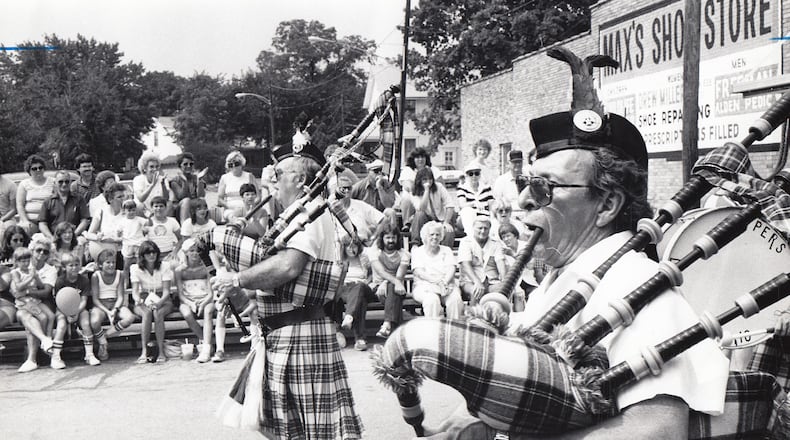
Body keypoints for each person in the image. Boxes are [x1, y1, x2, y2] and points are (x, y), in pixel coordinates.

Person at [374, 48, 729, 438]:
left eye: (545, 187)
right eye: (528, 183)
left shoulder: (634, 283)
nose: (524, 199)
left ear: (607, 204)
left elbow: (657, 429)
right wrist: (478, 417)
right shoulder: (564, 278)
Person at [212, 137, 363, 439]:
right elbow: (289, 277)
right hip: (286, 331)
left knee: (313, 431)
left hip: (299, 333)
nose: (273, 181)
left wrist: (238, 279)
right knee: (278, 424)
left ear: (301, 179)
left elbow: (288, 267)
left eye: (279, 175)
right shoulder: (300, 213)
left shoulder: (309, 214)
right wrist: (249, 293)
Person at [15, 234, 59, 373]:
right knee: (24, 314)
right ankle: (45, 342)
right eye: (38, 250)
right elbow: (16, 289)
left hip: (43, 303)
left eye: (45, 251)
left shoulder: (50, 270)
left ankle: (32, 359)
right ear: (32, 250)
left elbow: (46, 292)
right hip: (25, 304)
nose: (41, 253)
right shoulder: (24, 264)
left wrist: (27, 292)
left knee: (32, 319)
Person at [51, 252, 101, 369]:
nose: (74, 268)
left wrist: (76, 312)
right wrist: (67, 313)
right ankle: (56, 356)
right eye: (71, 265)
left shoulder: (83, 280)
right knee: (62, 325)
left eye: (76, 264)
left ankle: (89, 354)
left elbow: (83, 301)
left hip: (79, 309)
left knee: (85, 323)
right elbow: (58, 301)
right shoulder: (60, 281)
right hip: (62, 309)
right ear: (64, 267)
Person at [130, 240, 174, 363]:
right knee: (147, 313)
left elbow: (166, 292)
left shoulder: (164, 266)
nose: (151, 255)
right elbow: (135, 291)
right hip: (144, 298)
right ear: (142, 255)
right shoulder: (135, 268)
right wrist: (137, 299)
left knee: (158, 313)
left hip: (162, 299)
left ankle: (161, 351)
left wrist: (159, 303)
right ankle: (144, 351)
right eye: (148, 253)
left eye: (154, 252)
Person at [410, 221, 463, 319]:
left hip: (447, 285)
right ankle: (433, 331)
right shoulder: (418, 252)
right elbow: (419, 273)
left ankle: (454, 330)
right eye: (431, 234)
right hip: (425, 286)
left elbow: (452, 268)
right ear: (425, 236)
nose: (435, 237)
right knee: (432, 300)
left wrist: (444, 282)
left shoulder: (446, 250)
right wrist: (438, 282)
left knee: (455, 300)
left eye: (437, 234)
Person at [175, 238, 217, 363]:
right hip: (188, 300)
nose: (194, 254)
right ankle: (205, 343)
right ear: (186, 252)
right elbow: (180, 294)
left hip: (206, 299)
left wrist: (204, 303)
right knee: (187, 313)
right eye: (191, 251)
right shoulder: (179, 270)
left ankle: (206, 347)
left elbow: (211, 292)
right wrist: (190, 303)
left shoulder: (205, 268)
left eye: (197, 251)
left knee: (208, 311)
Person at [89, 248, 136, 359]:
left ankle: (104, 336)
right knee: (94, 322)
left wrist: (114, 310)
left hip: (116, 304)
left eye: (113, 262)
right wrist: (107, 311)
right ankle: (103, 344)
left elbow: (120, 296)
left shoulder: (120, 274)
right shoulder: (96, 276)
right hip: (101, 305)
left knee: (129, 317)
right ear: (100, 265)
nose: (111, 265)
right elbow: (95, 299)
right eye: (108, 262)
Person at [369, 219, 409, 338]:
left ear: (397, 238)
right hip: (378, 288)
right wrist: (389, 282)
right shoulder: (375, 252)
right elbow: (380, 271)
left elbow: (400, 275)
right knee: (394, 291)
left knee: (393, 289)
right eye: (388, 238)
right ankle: (396, 334)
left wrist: (387, 282)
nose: (391, 240)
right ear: (382, 238)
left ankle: (387, 324)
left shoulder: (404, 254)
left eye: (393, 237)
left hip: (397, 289)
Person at [336, 235, 374, 351]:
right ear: (344, 247)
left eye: (354, 246)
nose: (351, 249)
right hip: (345, 289)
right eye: (348, 246)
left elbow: (372, 275)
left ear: (359, 247)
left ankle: (348, 316)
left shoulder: (364, 258)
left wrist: (367, 282)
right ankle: (359, 339)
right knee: (360, 300)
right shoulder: (339, 261)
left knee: (359, 287)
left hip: (363, 287)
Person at [331, 169, 385, 246]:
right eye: (343, 188)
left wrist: (373, 239)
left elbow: (383, 219)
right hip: (338, 248)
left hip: (360, 247)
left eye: (349, 188)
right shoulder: (331, 207)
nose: (346, 191)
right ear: (337, 189)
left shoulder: (361, 206)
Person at [457, 215, 500, 306]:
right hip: (469, 281)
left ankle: (497, 318)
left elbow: (500, 263)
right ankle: (473, 318)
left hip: (491, 281)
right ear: (473, 228)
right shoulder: (465, 242)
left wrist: (504, 281)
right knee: (476, 291)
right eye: (479, 228)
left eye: (486, 228)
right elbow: (466, 265)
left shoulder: (495, 243)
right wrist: (477, 282)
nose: (483, 231)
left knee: (503, 291)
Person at [38, 170, 91, 241]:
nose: (64, 184)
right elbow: (42, 223)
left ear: (70, 183)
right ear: (54, 183)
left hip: (75, 236)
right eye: (60, 182)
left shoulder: (79, 199)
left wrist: (74, 235)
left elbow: (85, 220)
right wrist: (51, 237)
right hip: (53, 237)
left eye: (67, 181)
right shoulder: (48, 201)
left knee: (82, 242)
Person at [409, 167, 456, 247]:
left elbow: (450, 205)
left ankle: (445, 253)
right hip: (425, 220)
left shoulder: (439, 187)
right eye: (425, 179)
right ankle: (415, 245)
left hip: (440, 219)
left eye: (430, 179)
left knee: (448, 231)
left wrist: (446, 222)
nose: (428, 182)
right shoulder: (414, 192)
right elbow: (421, 208)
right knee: (419, 214)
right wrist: (426, 191)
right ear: (419, 180)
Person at [84, 182, 126, 265]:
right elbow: (89, 234)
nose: (123, 199)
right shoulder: (101, 211)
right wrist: (98, 237)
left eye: (123, 196)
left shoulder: (127, 214)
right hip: (102, 254)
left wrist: (115, 240)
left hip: (121, 254)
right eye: (119, 197)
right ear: (110, 199)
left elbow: (131, 237)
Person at [16, 154, 55, 235]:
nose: (38, 170)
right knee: (21, 232)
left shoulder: (53, 182)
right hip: (31, 221)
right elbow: (20, 205)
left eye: (40, 167)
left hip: (49, 221)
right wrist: (25, 221)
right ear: (29, 171)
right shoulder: (24, 184)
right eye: (34, 168)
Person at [168, 152, 207, 222]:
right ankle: (184, 226)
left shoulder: (196, 178)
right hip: (180, 208)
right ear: (180, 166)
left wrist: (200, 181)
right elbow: (181, 196)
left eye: (191, 164)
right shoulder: (175, 180)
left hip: (194, 207)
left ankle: (202, 225)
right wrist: (185, 182)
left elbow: (201, 196)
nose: (189, 166)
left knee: (201, 200)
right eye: (185, 164)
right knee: (186, 201)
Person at [456, 163, 494, 235]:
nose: (474, 176)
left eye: (476, 173)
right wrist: (474, 203)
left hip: (484, 217)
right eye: (471, 174)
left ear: (479, 175)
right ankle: (472, 238)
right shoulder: (462, 188)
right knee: (467, 210)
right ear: (466, 175)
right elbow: (462, 205)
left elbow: (491, 206)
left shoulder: (486, 188)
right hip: (467, 218)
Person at [216, 150, 258, 215]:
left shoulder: (249, 176)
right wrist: (229, 206)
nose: (233, 166)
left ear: (242, 164)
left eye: (236, 164)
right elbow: (219, 200)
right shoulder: (224, 178)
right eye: (230, 165)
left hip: (248, 209)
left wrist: (251, 206)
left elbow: (258, 197)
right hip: (230, 209)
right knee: (232, 216)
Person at [492, 149, 528, 222]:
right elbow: (497, 202)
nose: (517, 164)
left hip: (528, 213)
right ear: (508, 164)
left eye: (519, 162)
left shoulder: (529, 177)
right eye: (514, 162)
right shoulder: (501, 181)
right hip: (510, 215)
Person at [132, 152, 169, 217]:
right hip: (143, 211)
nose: (155, 169)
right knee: (139, 206)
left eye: (157, 166)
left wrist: (163, 185)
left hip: (158, 209)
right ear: (144, 168)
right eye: (151, 167)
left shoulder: (162, 179)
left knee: (169, 204)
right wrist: (152, 185)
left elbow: (166, 199)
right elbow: (141, 198)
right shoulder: (138, 179)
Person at [119, 199, 147, 283]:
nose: (131, 212)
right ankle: (125, 283)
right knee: (126, 265)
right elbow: (118, 234)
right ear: (124, 211)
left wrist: (147, 215)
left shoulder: (139, 219)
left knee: (139, 265)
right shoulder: (122, 221)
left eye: (133, 210)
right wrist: (119, 233)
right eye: (129, 210)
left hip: (138, 244)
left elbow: (149, 223)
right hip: (128, 245)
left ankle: (139, 282)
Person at [0, 173, 18, 238]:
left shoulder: (10, 185)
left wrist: (2, 220)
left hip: (6, 218)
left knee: (8, 230)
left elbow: (14, 209)